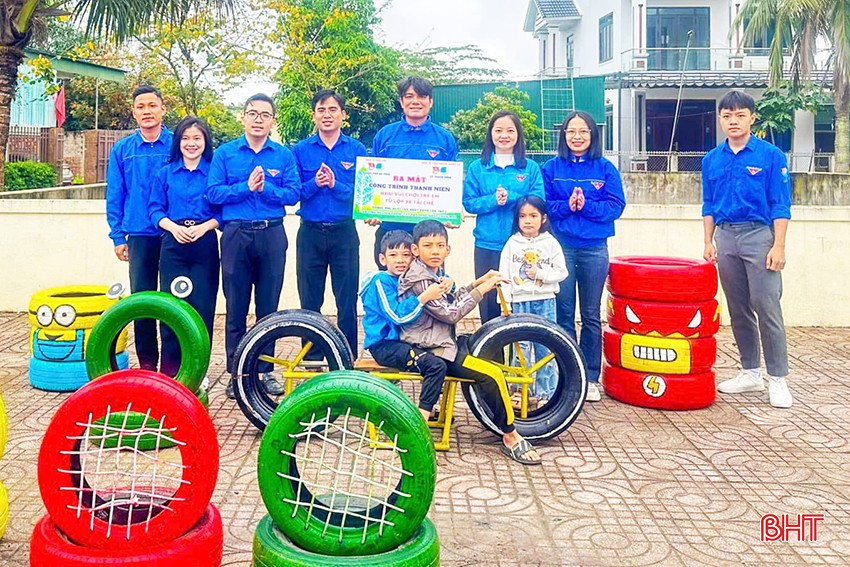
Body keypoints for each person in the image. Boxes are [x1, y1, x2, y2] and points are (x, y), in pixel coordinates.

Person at [397, 220, 542, 465]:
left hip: (443, 342)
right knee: (492, 374)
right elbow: (451, 313)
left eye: (440, 245)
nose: (435, 251)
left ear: (448, 249)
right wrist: (482, 290)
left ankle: (496, 415)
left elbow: (450, 300)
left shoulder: (431, 272)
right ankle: (510, 436)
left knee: (484, 353)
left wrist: (477, 282)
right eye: (428, 245)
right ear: (415, 250)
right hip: (431, 349)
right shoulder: (420, 279)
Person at [702, 90, 793, 408]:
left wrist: (778, 245)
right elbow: (708, 204)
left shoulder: (771, 156)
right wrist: (708, 241)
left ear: (752, 118)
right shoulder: (712, 159)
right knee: (738, 307)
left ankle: (778, 378)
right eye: (727, 116)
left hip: (759, 236)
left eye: (740, 115)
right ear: (720, 119)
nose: (733, 121)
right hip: (726, 237)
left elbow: (780, 204)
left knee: (767, 307)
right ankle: (750, 372)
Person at [206, 94, 301, 398]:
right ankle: (237, 373)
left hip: (272, 234)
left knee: (268, 308)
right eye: (252, 113)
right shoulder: (225, 153)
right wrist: (245, 188)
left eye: (265, 114)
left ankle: (265, 371)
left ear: (273, 121)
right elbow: (213, 193)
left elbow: (293, 194)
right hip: (236, 235)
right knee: (235, 307)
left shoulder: (283, 155)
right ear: (243, 117)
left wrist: (266, 188)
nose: (258, 119)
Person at [542, 111, 626, 403]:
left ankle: (590, 377)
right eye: (571, 131)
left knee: (590, 314)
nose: (577, 137)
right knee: (563, 313)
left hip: (594, 248)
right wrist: (567, 206)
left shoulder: (605, 168)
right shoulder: (551, 168)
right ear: (563, 135)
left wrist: (586, 205)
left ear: (593, 135)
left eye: (583, 131)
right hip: (561, 248)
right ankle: (569, 373)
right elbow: (544, 205)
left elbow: (616, 205)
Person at [292, 90, 367, 357]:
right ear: (313, 116)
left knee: (346, 299)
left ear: (343, 115)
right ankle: (311, 357)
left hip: (344, 233)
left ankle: (347, 356)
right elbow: (293, 192)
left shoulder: (356, 149)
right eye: (321, 110)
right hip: (310, 233)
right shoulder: (300, 150)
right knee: (310, 299)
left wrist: (336, 185)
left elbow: (364, 194)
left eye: (333, 109)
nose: (327, 115)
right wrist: (315, 183)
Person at [106, 85, 173, 370]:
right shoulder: (122, 150)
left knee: (172, 301)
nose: (147, 111)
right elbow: (115, 194)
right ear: (134, 113)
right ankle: (147, 365)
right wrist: (117, 236)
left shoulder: (177, 145)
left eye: (152, 105)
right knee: (142, 301)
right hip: (138, 234)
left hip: (172, 233)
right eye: (141, 107)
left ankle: (173, 365)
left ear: (163, 109)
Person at [148, 116, 220, 377]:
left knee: (202, 309)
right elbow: (155, 209)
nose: (191, 143)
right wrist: (173, 228)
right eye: (186, 138)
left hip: (205, 244)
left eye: (197, 138)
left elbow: (223, 212)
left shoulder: (214, 173)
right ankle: (170, 372)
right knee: (173, 309)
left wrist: (204, 228)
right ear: (178, 142)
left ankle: (197, 372)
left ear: (205, 142)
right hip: (173, 244)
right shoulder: (165, 173)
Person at [359, 230, 451, 420]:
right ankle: (421, 418)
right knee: (435, 366)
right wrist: (424, 297)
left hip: (407, 341)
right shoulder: (381, 281)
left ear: (414, 256)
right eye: (393, 255)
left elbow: (436, 280)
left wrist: (449, 282)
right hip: (385, 345)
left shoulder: (409, 277)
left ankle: (430, 409)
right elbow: (397, 316)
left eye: (406, 255)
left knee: (447, 356)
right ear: (383, 259)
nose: (400, 260)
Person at [369, 76, 460, 268]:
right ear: (401, 101)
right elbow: (372, 180)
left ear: (430, 102)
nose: (415, 101)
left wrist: (452, 211)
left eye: (421, 96)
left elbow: (452, 184)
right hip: (391, 229)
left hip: (429, 234)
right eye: (409, 96)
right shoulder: (384, 136)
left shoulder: (444, 139)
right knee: (389, 283)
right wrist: (371, 209)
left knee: (430, 285)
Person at [463, 110, 544, 323]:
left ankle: (521, 345)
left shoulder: (530, 168)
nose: (504, 135)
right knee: (488, 301)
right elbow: (469, 202)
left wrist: (511, 197)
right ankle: (491, 344)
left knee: (520, 301)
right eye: (498, 130)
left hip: (522, 244)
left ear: (518, 134)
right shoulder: (478, 167)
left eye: (510, 130)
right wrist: (493, 200)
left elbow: (538, 200)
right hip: (487, 244)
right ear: (491, 134)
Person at [498, 196, 568, 406]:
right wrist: (505, 303)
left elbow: (562, 272)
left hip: (545, 302)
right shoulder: (512, 244)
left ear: (543, 218)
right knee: (520, 349)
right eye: (522, 216)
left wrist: (540, 273)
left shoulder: (551, 243)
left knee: (545, 348)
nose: (527, 221)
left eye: (533, 216)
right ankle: (520, 391)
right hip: (519, 302)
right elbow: (503, 276)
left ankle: (545, 394)